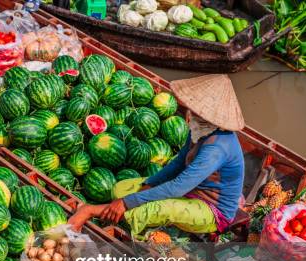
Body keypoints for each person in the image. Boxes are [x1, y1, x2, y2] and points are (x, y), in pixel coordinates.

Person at [69, 74, 245, 236]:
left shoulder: (217, 148)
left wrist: (128, 202)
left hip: (211, 210)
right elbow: (177, 164)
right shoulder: (200, 129)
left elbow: (178, 187)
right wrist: (149, 183)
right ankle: (121, 213)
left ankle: (89, 211)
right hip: (189, 190)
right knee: (120, 189)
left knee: (141, 208)